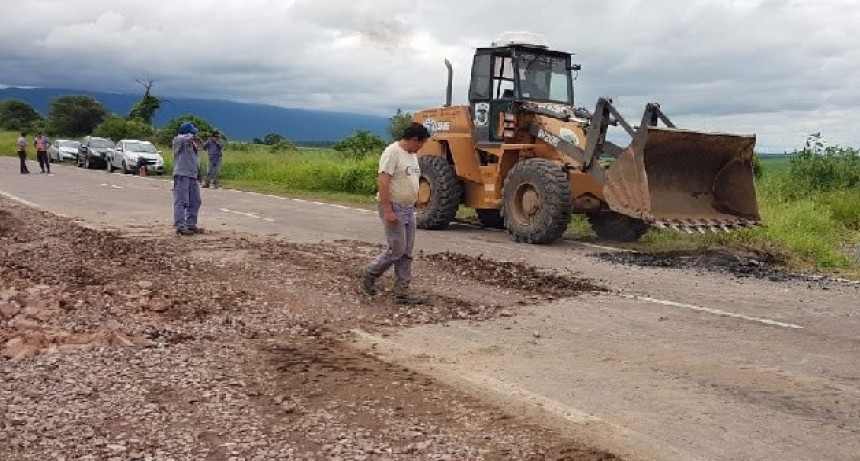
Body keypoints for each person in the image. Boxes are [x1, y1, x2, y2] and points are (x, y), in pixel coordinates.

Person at [361, 122, 430, 304]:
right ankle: (370, 272)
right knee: (397, 249)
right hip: (395, 207)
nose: (421, 147)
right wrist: (388, 210)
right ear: (414, 139)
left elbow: (410, 180)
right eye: (421, 143)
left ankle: (402, 291)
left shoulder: (412, 156)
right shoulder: (392, 153)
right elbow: (383, 181)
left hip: (408, 208)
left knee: (407, 251)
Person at [172, 121, 203, 236]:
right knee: (182, 201)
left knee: (196, 200)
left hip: (192, 175)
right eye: (192, 132)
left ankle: (191, 224)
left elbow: (195, 160)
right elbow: (184, 138)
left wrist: (199, 173)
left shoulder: (192, 144)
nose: (194, 135)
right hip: (182, 174)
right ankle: (180, 226)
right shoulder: (178, 140)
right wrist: (192, 136)